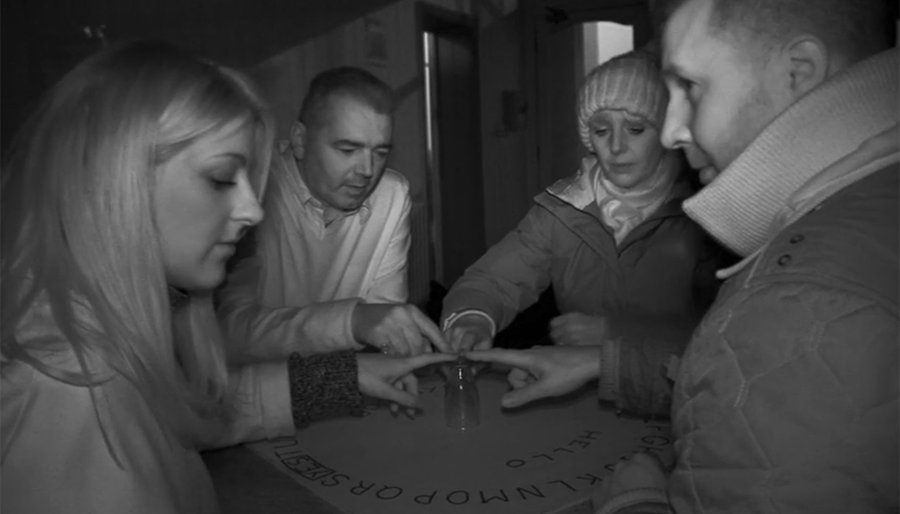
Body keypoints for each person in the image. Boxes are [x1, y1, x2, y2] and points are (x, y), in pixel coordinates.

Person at [467, 0, 900, 511]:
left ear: (800, 70)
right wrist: (605, 364)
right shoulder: (863, 214)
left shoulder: (797, 297)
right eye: (601, 130)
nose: (673, 129)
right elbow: (738, 378)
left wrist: (636, 501)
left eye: (691, 87)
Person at [0, 41, 454, 514]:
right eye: (220, 178)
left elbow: (192, 407)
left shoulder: (101, 341)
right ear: (114, 180)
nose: (253, 210)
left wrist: (341, 378)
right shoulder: (68, 395)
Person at [441, 49, 727, 361]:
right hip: (580, 396)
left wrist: (619, 331)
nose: (616, 146)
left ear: (666, 132)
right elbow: (494, 279)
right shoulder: (562, 209)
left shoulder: (705, 212)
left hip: (679, 399)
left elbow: (733, 330)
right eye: (601, 131)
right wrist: (472, 318)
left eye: (635, 129)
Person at [217, 66, 447, 360]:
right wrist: (350, 321)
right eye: (348, 150)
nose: (366, 171)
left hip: (343, 382)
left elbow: (384, 322)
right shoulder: (255, 189)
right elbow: (228, 334)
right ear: (300, 140)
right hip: (252, 394)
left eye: (380, 153)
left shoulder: (391, 194)